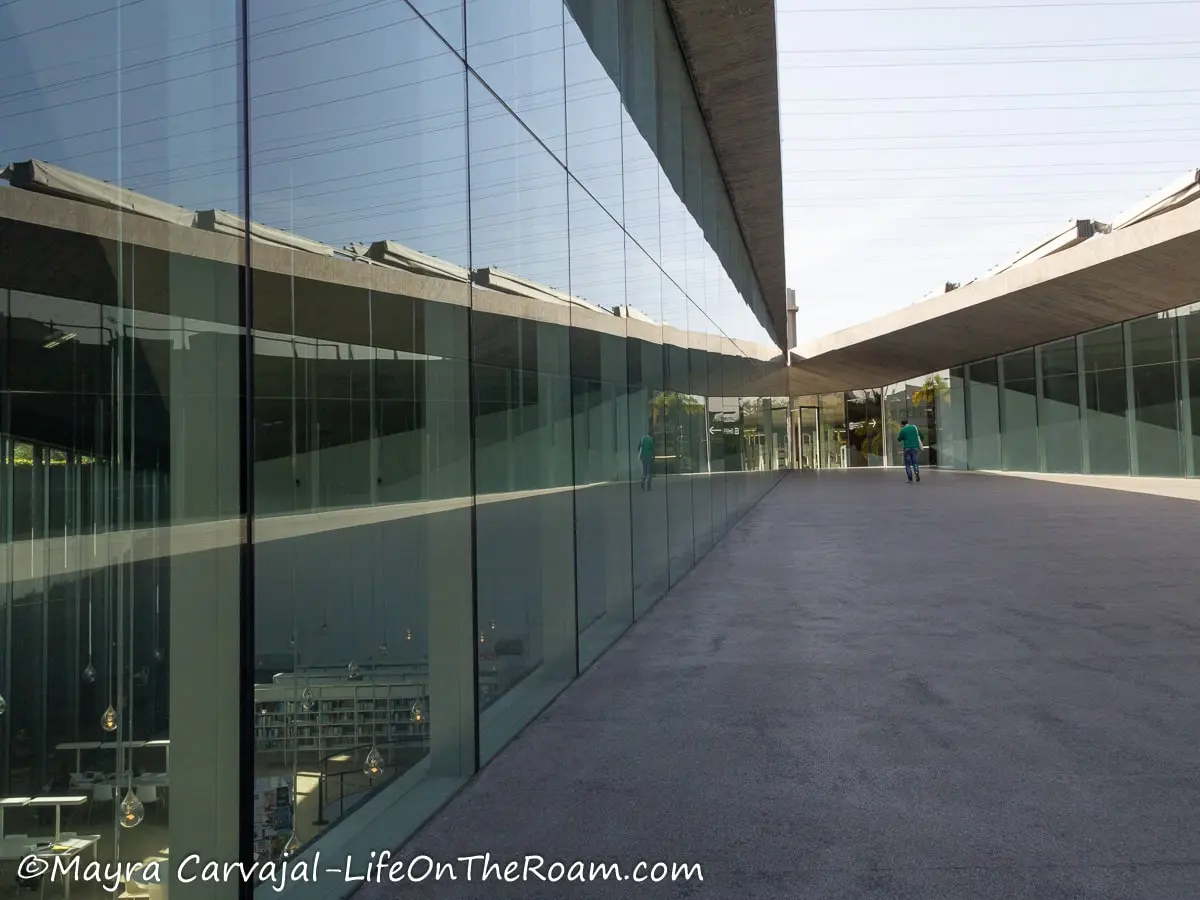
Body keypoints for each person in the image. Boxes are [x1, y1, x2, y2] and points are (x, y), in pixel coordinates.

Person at [896, 418, 923, 483]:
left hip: (907, 448)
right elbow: (921, 436)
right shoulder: (914, 427)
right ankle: (916, 471)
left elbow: (899, 439)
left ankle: (910, 479)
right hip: (915, 448)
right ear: (907, 423)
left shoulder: (903, 430)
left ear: (902, 424)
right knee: (915, 462)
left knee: (907, 464)